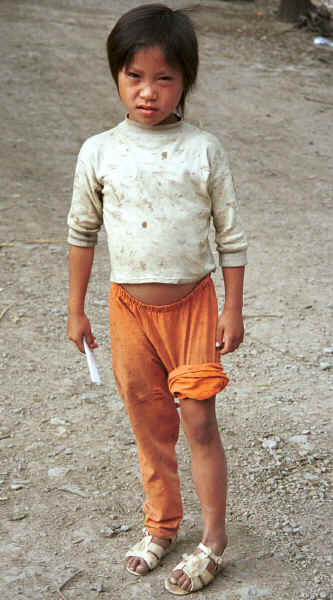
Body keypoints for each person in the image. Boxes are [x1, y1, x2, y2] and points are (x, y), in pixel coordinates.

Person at [67, 3, 248, 595]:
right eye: (134, 76)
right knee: (150, 426)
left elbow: (231, 235)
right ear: (117, 76)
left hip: (193, 307)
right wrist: (76, 309)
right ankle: (161, 525)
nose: (148, 91)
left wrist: (232, 306)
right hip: (128, 313)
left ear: (185, 81)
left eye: (164, 77)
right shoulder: (99, 150)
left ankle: (213, 540)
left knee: (198, 422)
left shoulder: (203, 149)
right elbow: (82, 232)